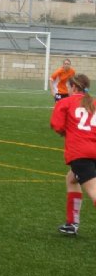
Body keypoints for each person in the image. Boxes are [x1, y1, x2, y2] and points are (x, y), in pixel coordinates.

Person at [50, 74, 96, 236]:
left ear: (74, 87)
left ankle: (72, 224)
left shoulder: (66, 102)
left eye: (69, 87)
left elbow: (57, 125)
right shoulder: (94, 102)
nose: (68, 90)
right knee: (71, 179)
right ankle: (72, 223)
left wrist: (66, 131)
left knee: (93, 191)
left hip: (81, 153)